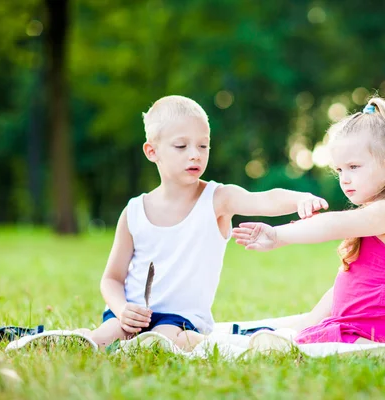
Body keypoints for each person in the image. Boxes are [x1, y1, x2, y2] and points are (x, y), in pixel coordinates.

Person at [76, 95, 329, 351]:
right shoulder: (133, 212)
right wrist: (122, 310)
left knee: (164, 343)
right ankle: (87, 335)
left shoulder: (217, 199)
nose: (195, 155)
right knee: (100, 341)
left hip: (181, 321)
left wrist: (301, 199)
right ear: (152, 151)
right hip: (130, 314)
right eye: (181, 146)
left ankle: (211, 343)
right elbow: (112, 279)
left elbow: (264, 200)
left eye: (203, 146)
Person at [233, 97, 385, 345]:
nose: (345, 179)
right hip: (358, 324)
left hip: (380, 327)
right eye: (340, 170)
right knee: (299, 332)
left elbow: (334, 225)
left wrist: (279, 235)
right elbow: (342, 293)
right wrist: (299, 331)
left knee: (321, 340)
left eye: (354, 166)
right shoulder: (374, 218)